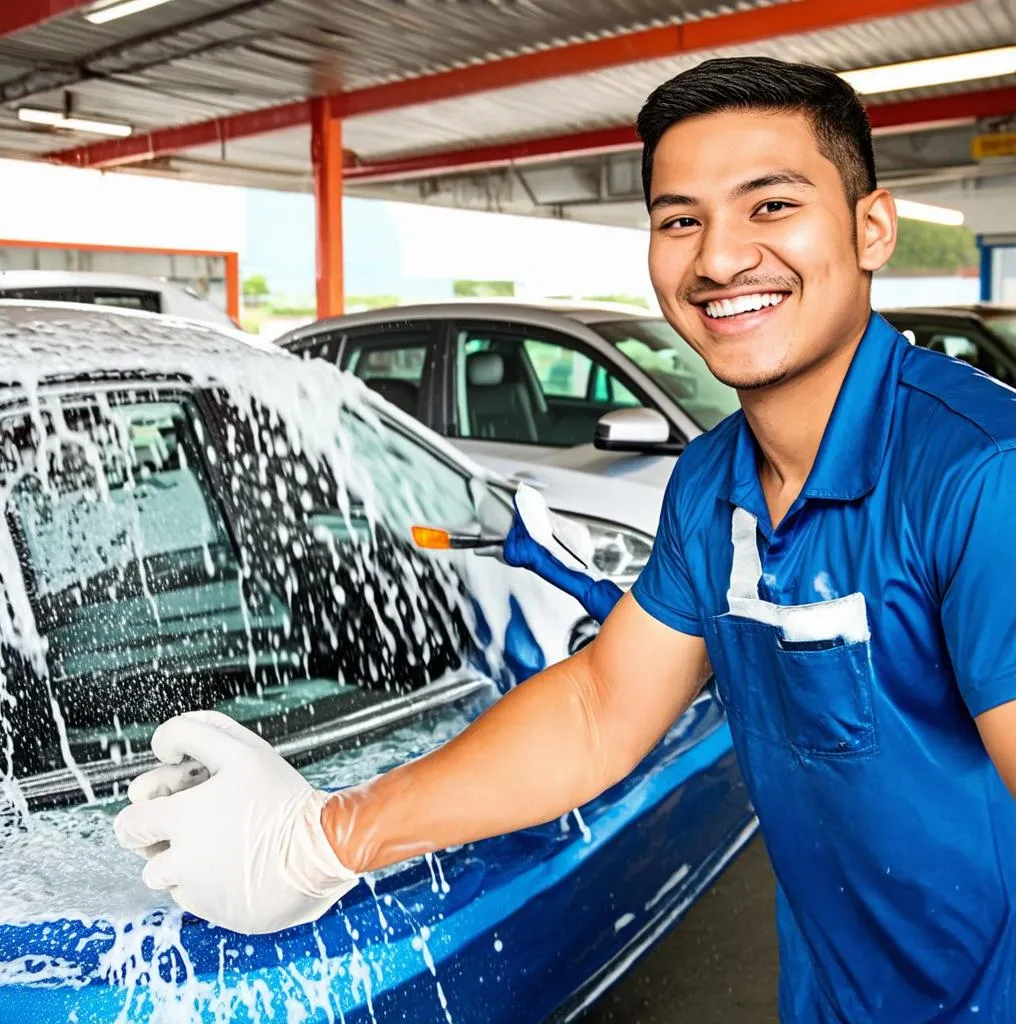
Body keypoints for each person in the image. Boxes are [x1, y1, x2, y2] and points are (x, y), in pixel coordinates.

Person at [114, 56, 1016, 1022]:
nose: (718, 259)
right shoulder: (713, 480)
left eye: (770, 206)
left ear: (871, 226)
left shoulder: (978, 476)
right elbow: (599, 706)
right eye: (681, 220)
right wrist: (318, 838)